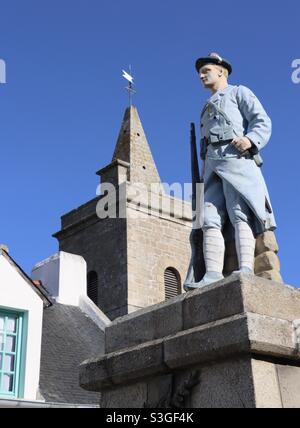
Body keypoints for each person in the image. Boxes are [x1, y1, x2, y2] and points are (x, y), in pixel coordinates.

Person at [184, 52, 276, 291]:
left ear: (221, 71)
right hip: (210, 163)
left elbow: (262, 120)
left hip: (235, 158)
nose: (201, 76)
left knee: (239, 211)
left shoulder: (239, 92)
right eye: (200, 73)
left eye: (206, 71)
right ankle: (213, 273)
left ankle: (245, 267)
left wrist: (250, 140)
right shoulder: (205, 107)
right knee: (208, 217)